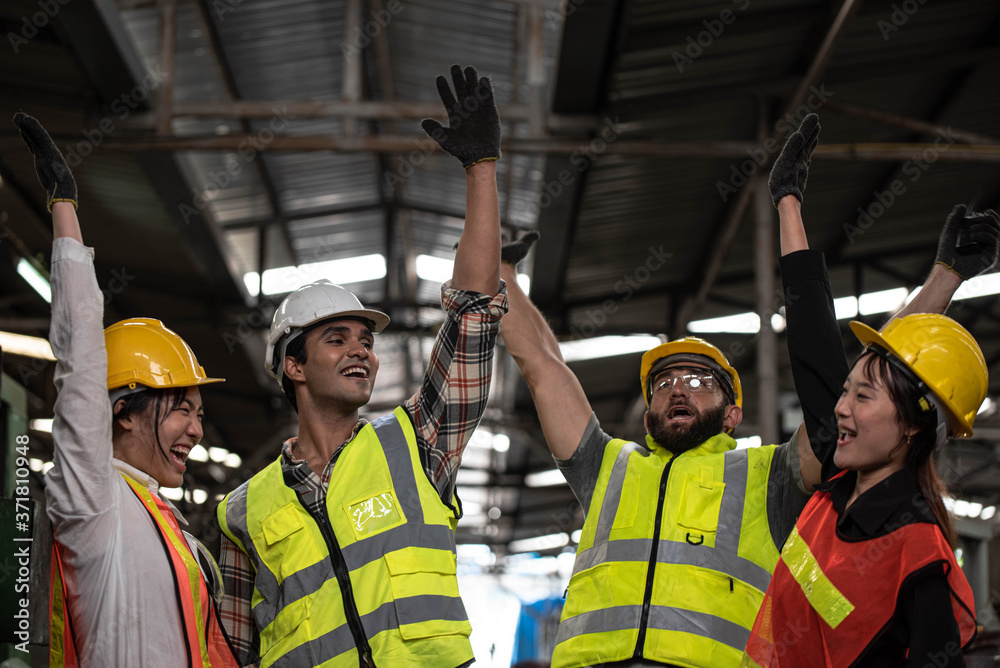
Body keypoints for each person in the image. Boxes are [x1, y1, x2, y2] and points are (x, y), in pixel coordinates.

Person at [497, 112, 998, 668]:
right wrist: (498, 274)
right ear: (647, 414)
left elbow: (865, 387)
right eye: (663, 382)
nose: (676, 389)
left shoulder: (770, 478)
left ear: (734, 414)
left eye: (699, 380)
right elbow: (543, 367)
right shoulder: (609, 469)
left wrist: (944, 279)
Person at [215, 65, 507, 668]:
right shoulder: (241, 511)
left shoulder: (418, 445)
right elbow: (235, 651)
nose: (361, 351)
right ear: (293, 367)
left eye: (365, 341)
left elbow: (472, 319)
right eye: (336, 339)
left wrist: (481, 170)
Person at [740, 172, 999, 667]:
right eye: (845, 391)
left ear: (911, 427)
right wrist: (788, 204)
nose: (840, 407)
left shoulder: (920, 554)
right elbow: (814, 335)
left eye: (863, 396)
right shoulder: (836, 486)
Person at [15, 111, 239, 667]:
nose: (196, 429)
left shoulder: (171, 526)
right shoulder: (95, 501)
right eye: (181, 409)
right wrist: (64, 208)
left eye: (200, 412)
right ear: (122, 412)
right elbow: (81, 361)